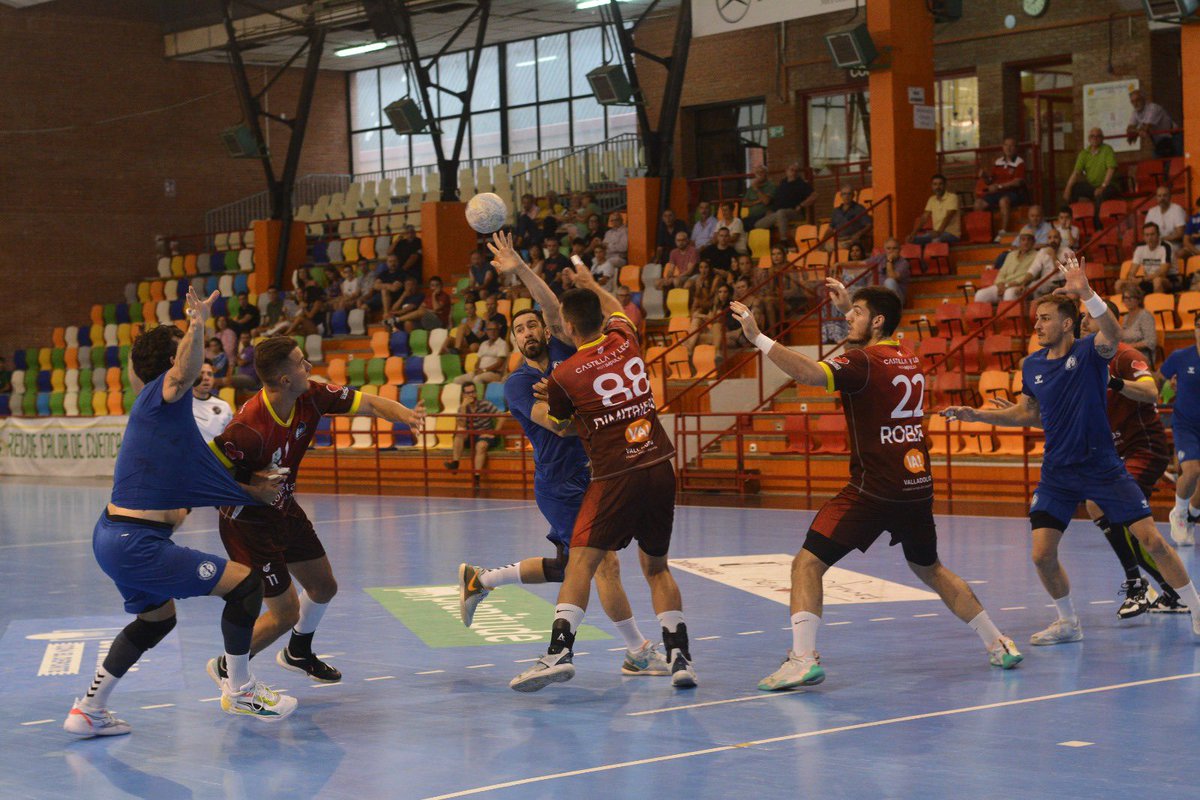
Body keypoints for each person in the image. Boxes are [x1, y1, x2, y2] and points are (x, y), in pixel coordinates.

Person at [730, 281, 1021, 691]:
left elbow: (811, 373)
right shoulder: (908, 358)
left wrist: (758, 338)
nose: (846, 317)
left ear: (877, 320)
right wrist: (854, 308)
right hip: (916, 484)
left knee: (807, 563)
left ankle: (802, 659)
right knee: (931, 568)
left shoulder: (864, 362)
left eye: (856, 313)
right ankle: (999, 643)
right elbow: (869, 351)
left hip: (873, 489)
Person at [64, 288, 295, 737]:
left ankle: (88, 710)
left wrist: (252, 489)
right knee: (246, 586)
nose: (194, 364)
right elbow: (182, 370)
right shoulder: (160, 395)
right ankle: (241, 688)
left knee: (156, 621)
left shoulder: (163, 413)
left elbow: (192, 474)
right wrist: (197, 321)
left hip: (114, 536)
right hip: (137, 543)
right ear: (174, 363)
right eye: (187, 355)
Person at [943, 256, 1200, 645]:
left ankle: (1196, 608)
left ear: (1066, 322)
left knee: (1152, 541)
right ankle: (1068, 623)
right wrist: (977, 416)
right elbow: (1028, 413)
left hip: (1102, 466)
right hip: (1058, 472)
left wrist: (1087, 293)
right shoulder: (1032, 366)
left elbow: (1112, 333)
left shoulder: (1090, 353)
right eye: (1037, 318)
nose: (1037, 324)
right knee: (1041, 555)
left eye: (1045, 318)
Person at [458, 232, 670, 678]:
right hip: (559, 482)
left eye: (532, 324)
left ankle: (482, 580)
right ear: (514, 341)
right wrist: (592, 411)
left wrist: (519, 268)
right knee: (603, 563)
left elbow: (554, 305)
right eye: (518, 330)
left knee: (566, 566)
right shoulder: (516, 384)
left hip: (595, 474)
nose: (528, 332)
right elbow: (554, 423)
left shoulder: (563, 350)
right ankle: (637, 651)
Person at [508, 255, 697, 692]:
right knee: (657, 568)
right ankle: (680, 657)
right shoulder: (625, 338)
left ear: (566, 331)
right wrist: (593, 282)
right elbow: (614, 308)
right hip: (659, 465)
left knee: (581, 562)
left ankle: (558, 652)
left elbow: (559, 423)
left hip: (613, 476)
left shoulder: (566, 373)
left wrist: (570, 406)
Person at [204, 335, 424, 687]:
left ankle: (299, 653)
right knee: (285, 613)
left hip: (284, 509)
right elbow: (203, 477)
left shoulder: (311, 395)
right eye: (301, 362)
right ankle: (227, 667)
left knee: (323, 586)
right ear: (284, 379)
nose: (309, 366)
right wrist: (253, 491)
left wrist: (406, 415)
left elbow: (368, 403)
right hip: (248, 524)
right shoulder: (249, 429)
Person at [1160, 316, 1200, 547]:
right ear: (1195, 329)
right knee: (1192, 470)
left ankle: (1191, 516)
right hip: (1186, 424)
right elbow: (1161, 380)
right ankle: (1180, 514)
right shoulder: (1180, 357)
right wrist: (1170, 386)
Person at [974, 137, 1030, 239]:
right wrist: (985, 176)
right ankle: (982, 234)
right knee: (978, 204)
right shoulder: (998, 162)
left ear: (1016, 148)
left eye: (1011, 145)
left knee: (1003, 201)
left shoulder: (1019, 162)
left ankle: (1003, 232)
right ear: (1003, 147)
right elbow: (990, 181)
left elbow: (1018, 182)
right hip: (997, 192)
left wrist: (1000, 186)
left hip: (1013, 193)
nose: (1008, 148)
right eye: (1006, 145)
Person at [444, 383, 498, 488]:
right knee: (459, 434)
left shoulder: (485, 404)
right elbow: (461, 425)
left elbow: (501, 416)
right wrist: (464, 407)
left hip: (485, 435)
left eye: (473, 392)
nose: (471, 395)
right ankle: (455, 463)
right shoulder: (462, 408)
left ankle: (476, 477)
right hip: (471, 435)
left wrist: (494, 433)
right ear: (463, 395)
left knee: (480, 446)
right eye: (468, 393)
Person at [1063, 128, 1119, 226]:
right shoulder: (1084, 153)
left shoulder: (1107, 149)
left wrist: (1103, 186)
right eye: (1092, 136)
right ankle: (1070, 222)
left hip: (1108, 186)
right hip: (1093, 186)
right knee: (1074, 188)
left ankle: (1097, 226)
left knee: (1099, 195)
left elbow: (1111, 169)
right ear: (1089, 139)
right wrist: (1067, 188)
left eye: (1098, 136)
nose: (1095, 138)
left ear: (1102, 138)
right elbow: (1076, 173)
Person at [754, 162, 815, 241]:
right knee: (758, 225)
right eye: (792, 170)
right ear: (786, 171)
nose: (794, 172)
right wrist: (772, 210)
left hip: (795, 212)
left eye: (796, 170)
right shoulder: (783, 182)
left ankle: (784, 240)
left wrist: (801, 205)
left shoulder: (801, 183)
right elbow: (777, 198)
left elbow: (814, 195)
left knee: (781, 212)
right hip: (778, 212)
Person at [974, 231, 1039, 303]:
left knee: (1009, 293)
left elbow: (1032, 274)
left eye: (1029, 239)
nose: (1026, 242)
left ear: (1033, 242)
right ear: (1019, 241)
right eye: (1023, 239)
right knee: (980, 295)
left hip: (1020, 286)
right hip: (1003, 285)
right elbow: (1002, 273)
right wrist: (1000, 284)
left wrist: (1011, 285)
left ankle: (1011, 314)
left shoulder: (1037, 255)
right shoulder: (1011, 255)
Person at [1122, 222, 1177, 295]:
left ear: (1158, 235)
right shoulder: (1140, 248)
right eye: (1147, 235)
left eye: (1152, 234)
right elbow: (1132, 270)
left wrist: (1142, 280)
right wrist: (1131, 278)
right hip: (1147, 279)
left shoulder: (1166, 247)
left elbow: (1163, 272)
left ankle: (1157, 305)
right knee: (1119, 284)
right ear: (1143, 237)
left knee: (1157, 281)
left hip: (1169, 279)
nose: (1150, 238)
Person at [1127, 88, 1181, 157]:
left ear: (1144, 99)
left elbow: (1146, 128)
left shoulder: (1153, 108)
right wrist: (1137, 131)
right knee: (1158, 163)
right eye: (1132, 101)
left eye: (1138, 100)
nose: (1135, 104)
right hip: (1160, 141)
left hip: (1174, 137)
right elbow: (1129, 130)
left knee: (1177, 162)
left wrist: (1136, 131)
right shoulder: (1135, 113)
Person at [908, 173, 961, 244]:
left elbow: (948, 216)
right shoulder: (931, 200)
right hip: (936, 234)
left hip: (951, 234)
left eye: (940, 184)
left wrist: (939, 232)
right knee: (913, 240)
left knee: (936, 240)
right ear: (932, 186)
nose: (937, 187)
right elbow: (924, 218)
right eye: (935, 184)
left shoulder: (952, 197)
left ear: (945, 185)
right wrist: (913, 234)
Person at [453, 321, 509, 385]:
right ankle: (466, 395)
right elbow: (478, 361)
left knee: (477, 379)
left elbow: (499, 363)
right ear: (486, 331)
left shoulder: (502, 344)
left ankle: (479, 395)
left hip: (495, 373)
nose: (492, 332)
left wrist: (484, 370)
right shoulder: (483, 344)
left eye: (495, 329)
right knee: (457, 380)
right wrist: (477, 369)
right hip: (481, 372)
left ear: (498, 331)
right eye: (490, 329)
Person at [192, 360, 234, 444]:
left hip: (214, 455)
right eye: (201, 373)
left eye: (210, 374)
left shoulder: (223, 406)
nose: (206, 378)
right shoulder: (181, 404)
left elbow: (230, 438)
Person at [1117, 287, 1157, 366]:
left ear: (1139, 300)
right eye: (1125, 298)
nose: (1127, 300)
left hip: (1142, 356)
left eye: (1131, 297)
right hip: (1127, 354)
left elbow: (1151, 342)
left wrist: (1128, 347)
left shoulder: (1145, 316)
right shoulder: (1126, 317)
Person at [1144, 185, 1187, 255]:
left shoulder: (1177, 209)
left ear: (1170, 197)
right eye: (1159, 196)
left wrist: (1160, 239)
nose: (1162, 198)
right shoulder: (1151, 211)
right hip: (1154, 245)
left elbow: (1180, 234)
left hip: (1173, 245)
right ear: (1156, 198)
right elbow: (1146, 233)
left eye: (1165, 195)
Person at [866, 238, 911, 303]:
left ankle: (890, 308)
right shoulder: (879, 258)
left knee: (889, 281)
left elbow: (892, 277)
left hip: (897, 299)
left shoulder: (903, 263)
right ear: (884, 250)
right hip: (879, 295)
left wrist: (889, 260)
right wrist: (846, 264)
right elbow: (861, 264)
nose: (891, 251)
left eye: (894, 248)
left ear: (899, 250)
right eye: (888, 248)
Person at [829, 185, 873, 251]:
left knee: (841, 248)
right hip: (839, 240)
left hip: (852, 240)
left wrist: (858, 234)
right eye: (844, 194)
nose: (846, 196)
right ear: (841, 196)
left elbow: (869, 225)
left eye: (849, 194)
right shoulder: (836, 211)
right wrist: (821, 241)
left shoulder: (859, 209)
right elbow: (830, 228)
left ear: (853, 196)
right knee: (823, 249)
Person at [742, 164, 775, 229]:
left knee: (746, 225)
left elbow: (766, 201)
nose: (759, 174)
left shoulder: (770, 186)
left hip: (764, 215)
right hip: (751, 216)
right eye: (757, 172)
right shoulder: (751, 188)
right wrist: (757, 201)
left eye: (761, 172)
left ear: (766, 174)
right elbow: (744, 203)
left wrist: (756, 189)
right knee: (739, 223)